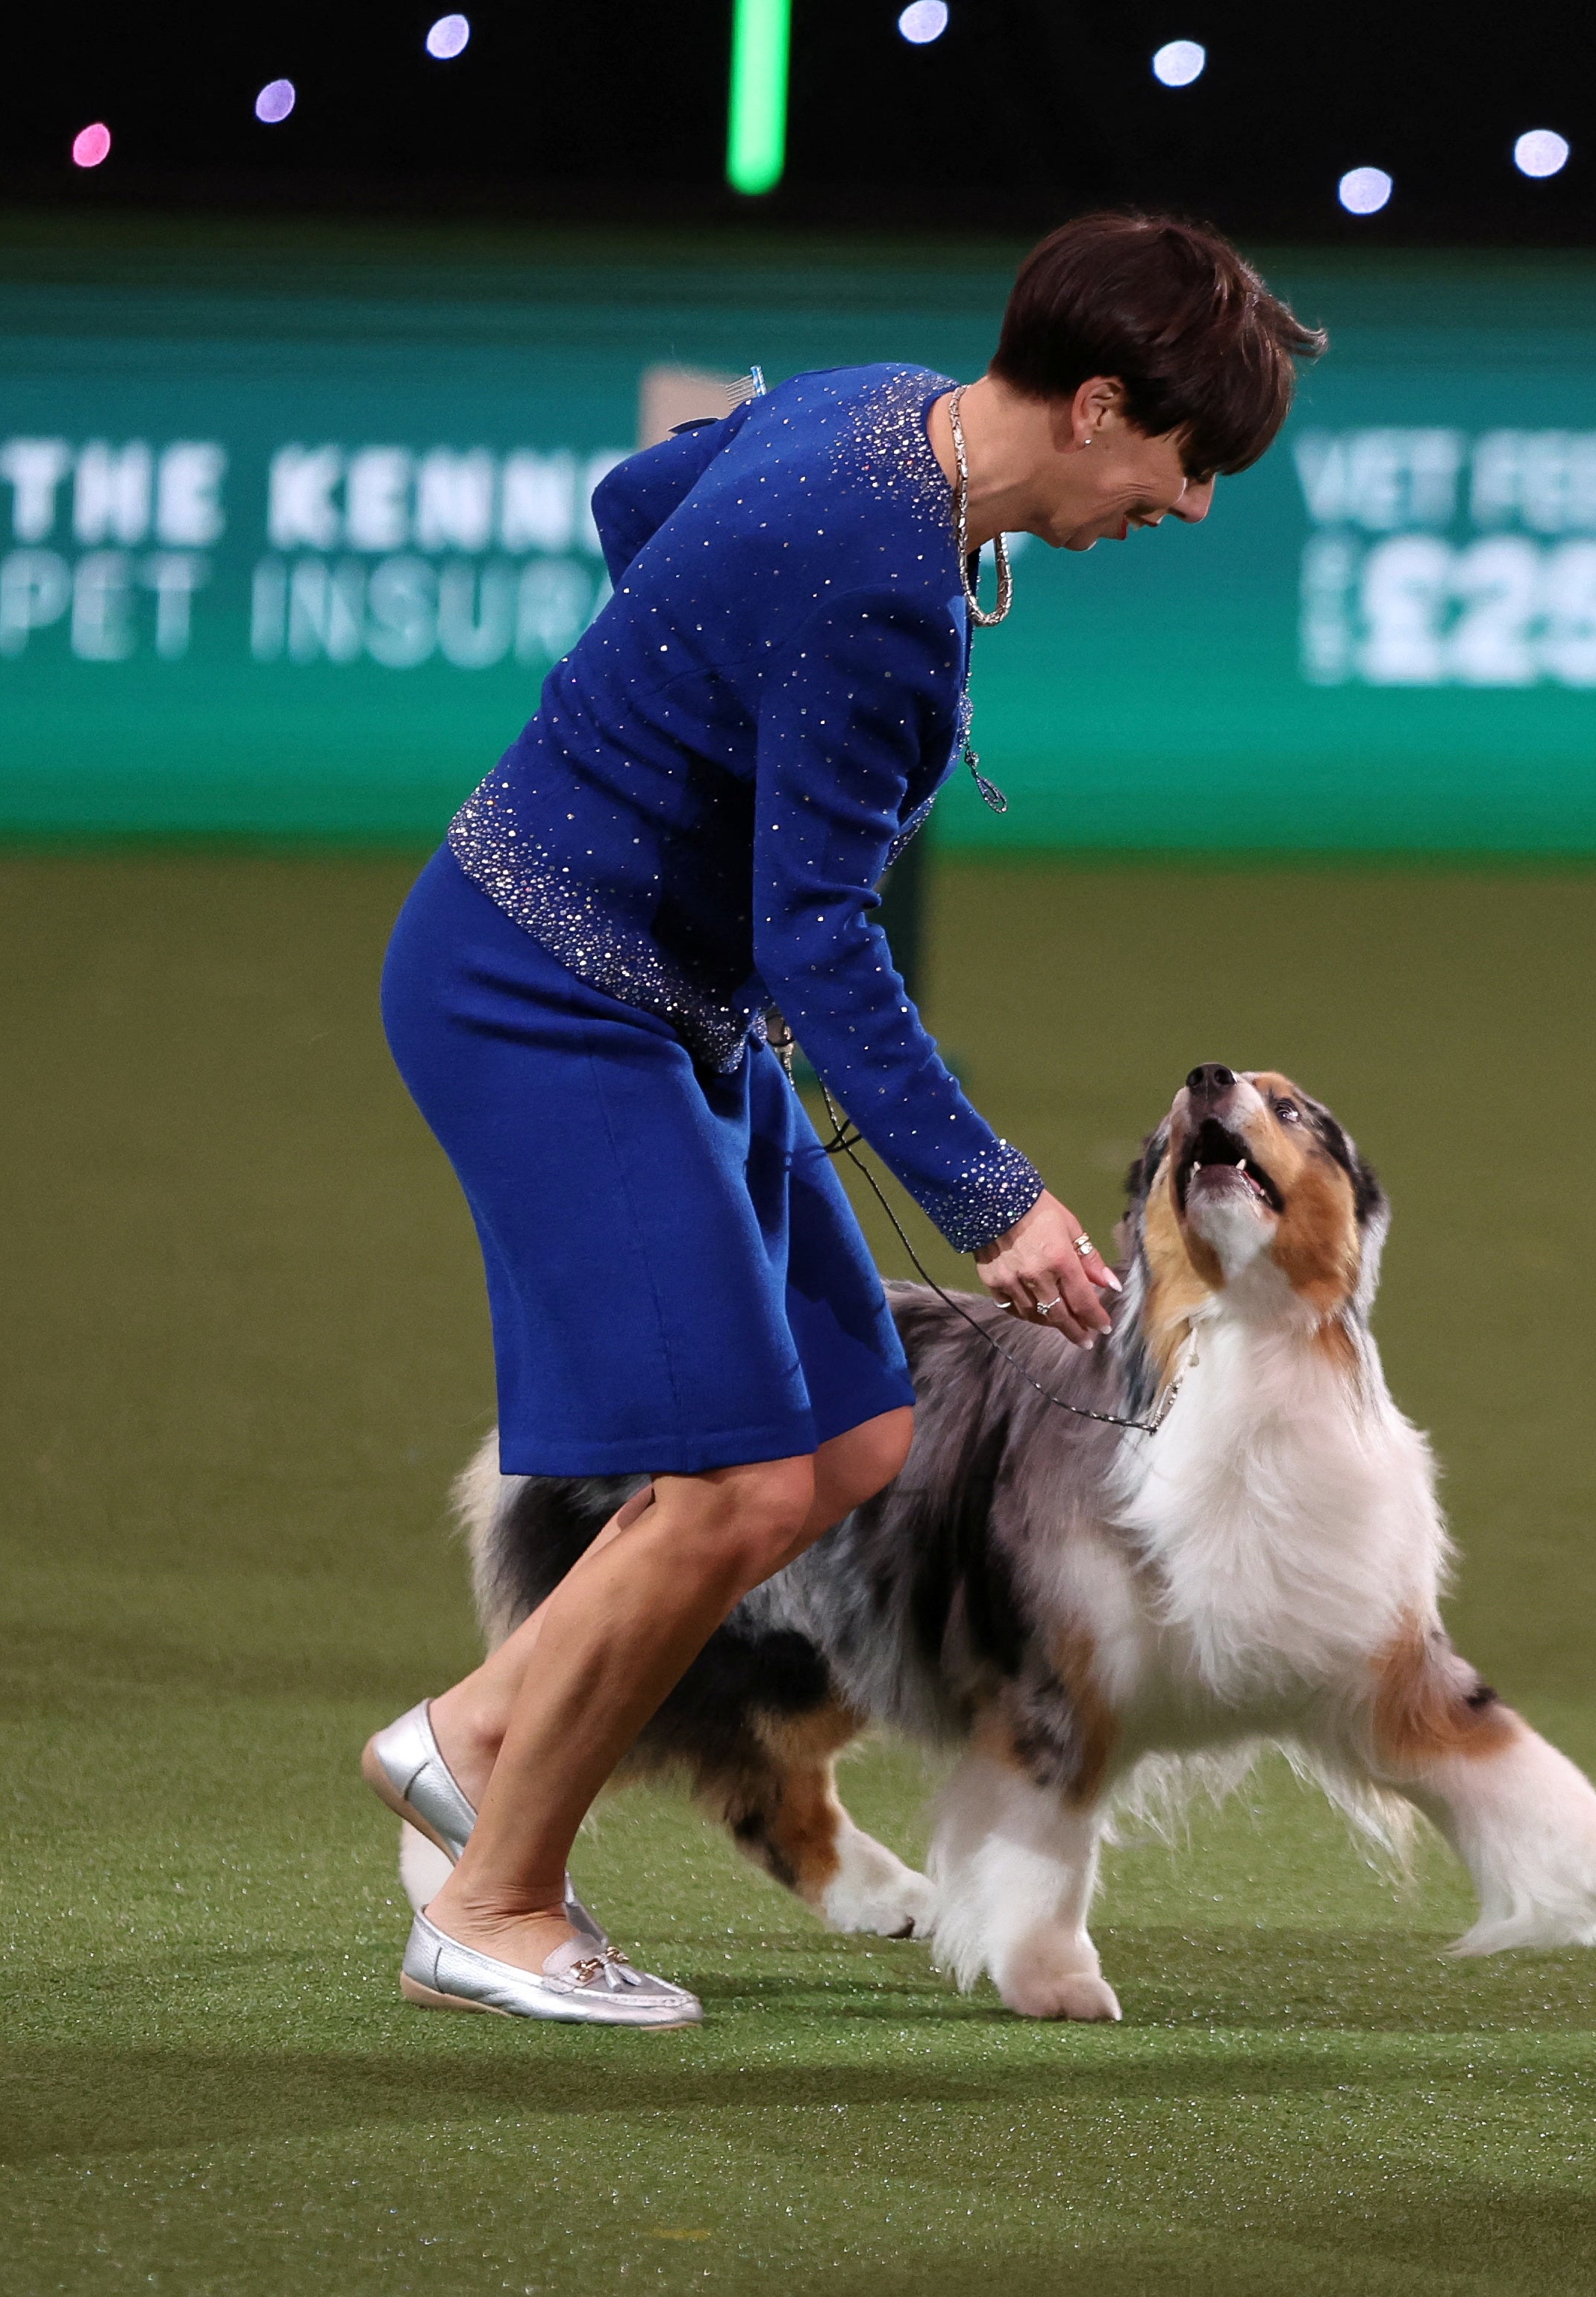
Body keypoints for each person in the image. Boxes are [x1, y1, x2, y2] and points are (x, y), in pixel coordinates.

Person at [362, 215, 1324, 2025]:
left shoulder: (883, 406)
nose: (1189, 508)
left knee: (853, 1437)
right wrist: (996, 1201)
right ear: (1103, 406)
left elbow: (633, 500)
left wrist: (686, 717)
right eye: (1190, 465)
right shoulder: (881, 584)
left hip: (663, 999)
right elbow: (821, 938)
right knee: (733, 1486)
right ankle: (491, 1906)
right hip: (539, 996)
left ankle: (468, 1732)